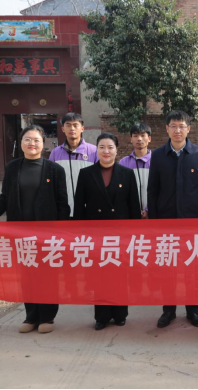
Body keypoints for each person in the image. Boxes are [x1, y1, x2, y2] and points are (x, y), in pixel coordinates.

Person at [0, 125, 70, 334]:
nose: (32, 143)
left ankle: (47, 317)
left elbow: (63, 204)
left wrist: (61, 233)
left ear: (43, 144)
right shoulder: (12, 168)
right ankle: (31, 316)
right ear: (21, 143)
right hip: (20, 234)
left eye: (36, 140)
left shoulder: (55, 170)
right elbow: (4, 199)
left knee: (47, 276)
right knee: (27, 276)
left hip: (47, 235)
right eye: (28, 139)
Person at [148, 111, 198, 329]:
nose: (178, 130)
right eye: (173, 126)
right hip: (166, 223)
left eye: (182, 126)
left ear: (188, 129)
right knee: (168, 269)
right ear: (167, 129)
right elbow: (152, 191)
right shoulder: (158, 155)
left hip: (192, 224)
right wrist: (154, 223)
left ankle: (193, 310)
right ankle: (168, 310)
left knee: (192, 270)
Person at [73, 133, 141, 331]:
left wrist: (134, 236)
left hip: (120, 234)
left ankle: (120, 314)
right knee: (99, 276)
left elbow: (134, 207)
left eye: (110, 147)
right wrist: (80, 235)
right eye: (102, 147)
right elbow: (79, 206)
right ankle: (101, 316)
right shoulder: (86, 174)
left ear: (116, 150)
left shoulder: (127, 174)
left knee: (119, 275)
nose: (106, 151)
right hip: (96, 233)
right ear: (97, 150)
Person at [49, 113, 98, 216]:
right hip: (63, 209)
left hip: (88, 208)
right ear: (63, 129)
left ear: (82, 128)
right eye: (68, 125)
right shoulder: (55, 153)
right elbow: (51, 181)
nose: (72, 128)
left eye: (75, 125)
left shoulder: (94, 151)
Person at [119, 123, 152, 219]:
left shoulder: (157, 161)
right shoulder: (123, 162)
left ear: (149, 138)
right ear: (131, 139)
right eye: (135, 136)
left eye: (143, 135)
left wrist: (148, 210)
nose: (139, 139)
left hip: (154, 213)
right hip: (130, 214)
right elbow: (121, 191)